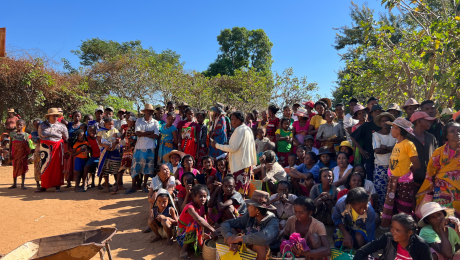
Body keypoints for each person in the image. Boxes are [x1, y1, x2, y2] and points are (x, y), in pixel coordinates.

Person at [381, 118, 421, 228]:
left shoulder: (408, 144)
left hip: (404, 183)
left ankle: (407, 229)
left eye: (393, 127)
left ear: (398, 130)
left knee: (404, 208)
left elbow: (417, 164)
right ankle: (398, 228)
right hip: (394, 182)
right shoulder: (397, 144)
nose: (391, 130)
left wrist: (406, 172)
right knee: (395, 206)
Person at [416, 122, 460, 218]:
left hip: (458, 188)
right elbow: (431, 170)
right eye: (452, 131)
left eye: (458, 131)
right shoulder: (438, 151)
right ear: (446, 135)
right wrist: (431, 185)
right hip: (441, 187)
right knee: (442, 214)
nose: (457, 133)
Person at [221, 190, 279, 260]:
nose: (248, 208)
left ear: (258, 210)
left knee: (259, 245)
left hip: (266, 254)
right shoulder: (249, 216)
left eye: (250, 206)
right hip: (248, 249)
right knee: (230, 231)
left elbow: (264, 237)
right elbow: (226, 223)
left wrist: (239, 238)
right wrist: (230, 239)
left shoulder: (272, 221)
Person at [212, 111, 257, 197]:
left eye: (233, 119)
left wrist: (216, 145)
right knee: (242, 192)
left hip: (238, 166)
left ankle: (237, 210)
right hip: (245, 165)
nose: (231, 122)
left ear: (239, 120)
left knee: (236, 193)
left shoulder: (239, 130)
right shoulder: (248, 129)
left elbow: (233, 148)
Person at [353, 213, 432, 260]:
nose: (392, 232)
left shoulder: (421, 246)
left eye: (397, 230)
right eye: (392, 228)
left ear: (409, 233)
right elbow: (362, 251)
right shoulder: (388, 238)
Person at [177, 185, 216, 259]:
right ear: (193, 197)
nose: (203, 199)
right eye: (200, 196)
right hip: (182, 236)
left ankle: (196, 243)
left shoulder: (201, 206)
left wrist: (205, 233)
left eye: (205, 196)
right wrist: (212, 230)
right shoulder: (189, 207)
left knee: (210, 227)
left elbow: (204, 221)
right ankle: (184, 249)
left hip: (194, 234)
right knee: (195, 222)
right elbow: (198, 220)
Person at [36, 108, 69, 193]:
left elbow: (66, 137)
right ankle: (44, 186)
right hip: (45, 147)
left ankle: (57, 186)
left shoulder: (62, 126)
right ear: (49, 116)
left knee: (57, 166)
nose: (55, 117)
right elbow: (40, 135)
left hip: (57, 147)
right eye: (53, 115)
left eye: (56, 116)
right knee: (44, 166)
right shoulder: (42, 125)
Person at [129, 104, 160, 193]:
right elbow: (137, 133)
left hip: (150, 147)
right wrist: (150, 132)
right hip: (139, 147)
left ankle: (144, 185)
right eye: (147, 111)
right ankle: (133, 186)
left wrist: (144, 133)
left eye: (150, 111)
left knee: (148, 167)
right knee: (135, 167)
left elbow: (156, 135)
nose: (149, 112)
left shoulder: (155, 122)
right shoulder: (139, 120)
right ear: (144, 112)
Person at [350, 104, 382, 182]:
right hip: (369, 158)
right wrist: (361, 149)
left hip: (382, 159)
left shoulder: (384, 126)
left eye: (379, 112)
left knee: (380, 181)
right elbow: (353, 136)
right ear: (371, 114)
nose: (377, 113)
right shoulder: (366, 125)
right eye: (375, 112)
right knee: (369, 180)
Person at [372, 112, 396, 211]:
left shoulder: (394, 134)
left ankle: (390, 212)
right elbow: (377, 150)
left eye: (387, 120)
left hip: (394, 167)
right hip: (380, 166)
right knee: (380, 191)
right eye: (383, 121)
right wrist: (392, 149)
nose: (385, 122)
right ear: (380, 123)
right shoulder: (376, 134)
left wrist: (385, 147)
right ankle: (380, 213)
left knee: (392, 191)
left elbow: (399, 148)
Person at [408, 111, 438, 186]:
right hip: (412, 180)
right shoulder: (407, 138)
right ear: (418, 122)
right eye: (427, 121)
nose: (430, 123)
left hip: (430, 179)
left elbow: (437, 155)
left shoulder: (431, 137)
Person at [96, 117, 122, 192]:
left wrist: (115, 142)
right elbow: (99, 142)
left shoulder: (114, 130)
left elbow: (116, 139)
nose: (111, 126)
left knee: (117, 167)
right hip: (105, 151)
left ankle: (117, 185)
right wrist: (105, 146)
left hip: (114, 150)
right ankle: (107, 187)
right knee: (106, 169)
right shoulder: (100, 131)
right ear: (105, 123)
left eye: (112, 124)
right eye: (109, 124)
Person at [8, 119, 30, 190]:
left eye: (21, 125)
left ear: (24, 126)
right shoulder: (12, 134)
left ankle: (22, 184)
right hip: (15, 154)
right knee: (15, 168)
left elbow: (27, 146)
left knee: (23, 168)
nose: (19, 126)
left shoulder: (26, 135)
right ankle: (14, 184)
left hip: (22, 155)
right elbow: (10, 145)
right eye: (18, 125)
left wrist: (27, 155)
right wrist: (10, 154)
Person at [31, 119, 42, 189]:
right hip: (38, 150)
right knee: (37, 167)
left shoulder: (45, 131)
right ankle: (38, 183)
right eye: (34, 124)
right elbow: (37, 140)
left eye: (38, 124)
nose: (36, 126)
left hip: (47, 150)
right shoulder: (34, 133)